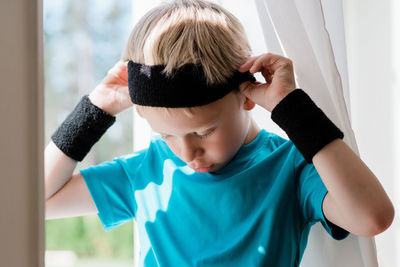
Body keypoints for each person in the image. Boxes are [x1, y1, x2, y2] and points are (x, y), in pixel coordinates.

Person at [45, 0, 395, 266]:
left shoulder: (289, 167)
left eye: (204, 130)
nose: (187, 153)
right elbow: (33, 203)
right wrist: (94, 111)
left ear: (245, 96)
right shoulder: (146, 171)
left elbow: (372, 216)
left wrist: (292, 108)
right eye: (167, 135)